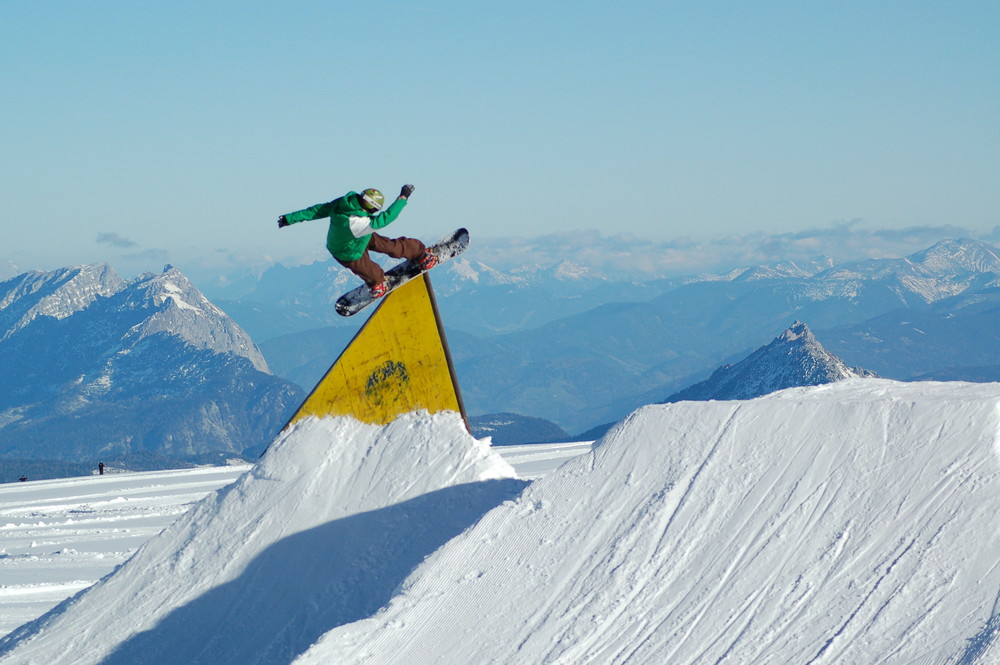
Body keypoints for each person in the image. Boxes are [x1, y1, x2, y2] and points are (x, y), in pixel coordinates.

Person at [277, 184, 437, 298]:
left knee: (387, 245)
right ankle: (378, 282)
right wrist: (402, 198)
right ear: (371, 208)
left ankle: (418, 253)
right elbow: (387, 218)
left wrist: (289, 218)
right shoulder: (359, 222)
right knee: (369, 268)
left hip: (354, 237)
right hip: (347, 251)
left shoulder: (343, 203)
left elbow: (316, 210)